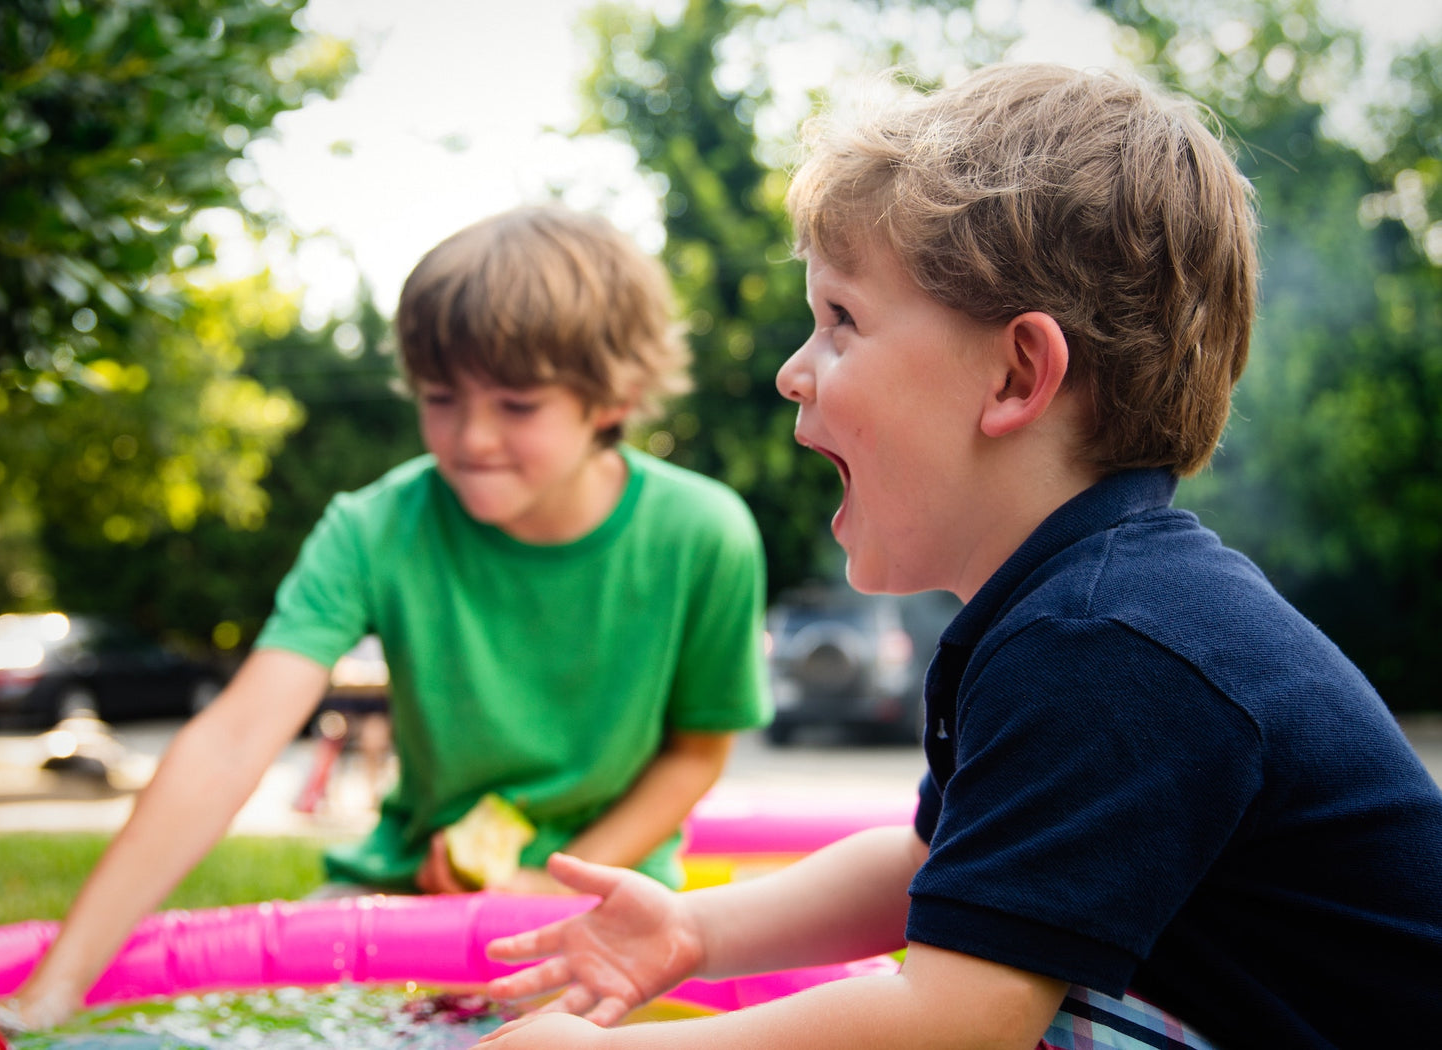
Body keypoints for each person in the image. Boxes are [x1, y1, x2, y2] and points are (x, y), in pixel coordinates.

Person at [473, 64, 1442, 1050]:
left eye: (842, 320)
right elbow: (929, 865)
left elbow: (956, 1022)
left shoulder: (1110, 644)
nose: (792, 371)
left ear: (1018, 373)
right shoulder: (1075, 611)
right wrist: (695, 929)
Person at [9, 205, 773, 1026]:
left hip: (609, 902)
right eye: (440, 398)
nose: (472, 437)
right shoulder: (374, 527)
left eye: (517, 405)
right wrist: (53, 989)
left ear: (612, 396)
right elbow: (232, 741)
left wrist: (552, 880)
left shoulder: (705, 534)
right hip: (401, 891)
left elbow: (695, 754)